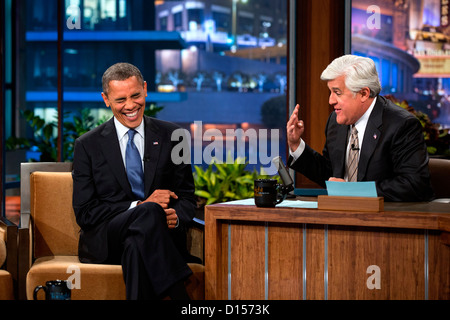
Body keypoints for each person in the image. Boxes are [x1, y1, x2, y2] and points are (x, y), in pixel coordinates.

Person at [72, 62, 196, 299]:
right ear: (106, 99)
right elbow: (85, 213)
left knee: (136, 246)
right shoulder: (87, 145)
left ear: (146, 89)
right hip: (108, 238)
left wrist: (176, 217)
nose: (130, 106)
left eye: (136, 95)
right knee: (149, 210)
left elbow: (188, 198)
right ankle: (182, 297)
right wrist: (141, 207)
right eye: (120, 100)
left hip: (156, 237)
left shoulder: (174, 136)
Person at [287, 54, 434, 202]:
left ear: (364, 93)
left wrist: (353, 191)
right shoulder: (335, 121)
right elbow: (331, 174)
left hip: (385, 219)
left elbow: (414, 185)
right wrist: (296, 145)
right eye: (330, 92)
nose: (330, 100)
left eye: (337, 93)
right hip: (341, 216)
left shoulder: (401, 125)